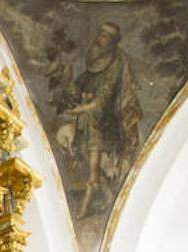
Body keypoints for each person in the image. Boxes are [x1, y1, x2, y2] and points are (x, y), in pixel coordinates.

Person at [65, 21, 141, 219]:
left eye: (105, 37)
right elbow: (82, 85)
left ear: (112, 42)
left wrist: (83, 107)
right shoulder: (94, 59)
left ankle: (93, 182)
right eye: (99, 35)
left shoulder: (115, 63)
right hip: (92, 112)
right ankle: (97, 186)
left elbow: (104, 97)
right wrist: (67, 81)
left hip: (110, 118)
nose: (100, 39)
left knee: (89, 119)